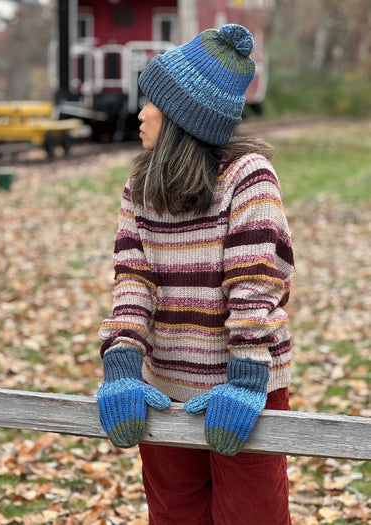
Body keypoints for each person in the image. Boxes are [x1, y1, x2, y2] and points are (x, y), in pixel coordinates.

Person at [97, 24, 294, 525]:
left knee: (253, 518)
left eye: (151, 103)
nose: (140, 114)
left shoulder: (247, 179)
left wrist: (249, 380)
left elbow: (255, 287)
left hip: (244, 391)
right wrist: (122, 369)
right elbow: (132, 285)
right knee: (174, 516)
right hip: (163, 389)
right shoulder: (140, 185)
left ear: (183, 117)